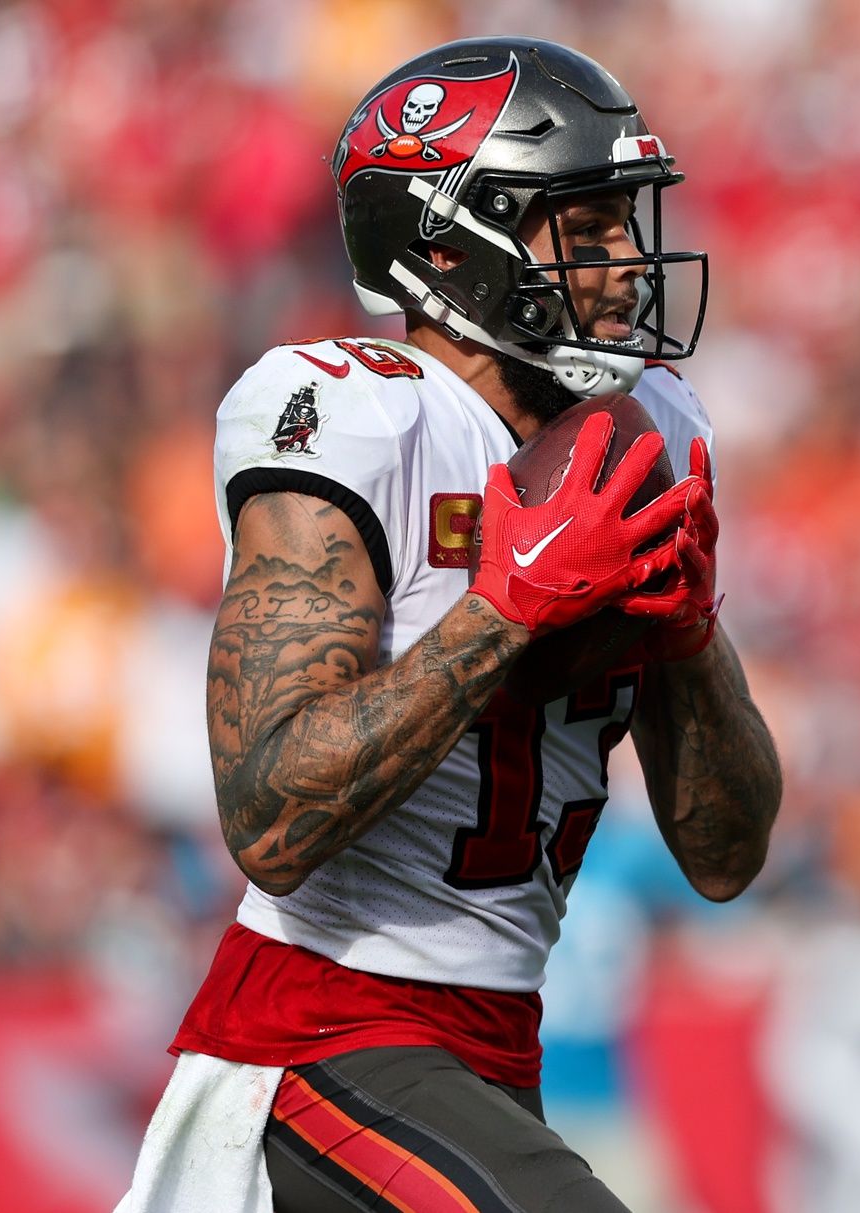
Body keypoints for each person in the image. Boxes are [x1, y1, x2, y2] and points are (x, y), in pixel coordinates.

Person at [114, 36, 782, 1213]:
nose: (628, 264)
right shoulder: (350, 417)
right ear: (448, 247)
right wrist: (504, 609)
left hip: (491, 1053)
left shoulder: (651, 431)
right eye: (584, 230)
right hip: (316, 1034)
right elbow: (269, 814)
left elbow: (725, 856)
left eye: (627, 224)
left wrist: (690, 636)